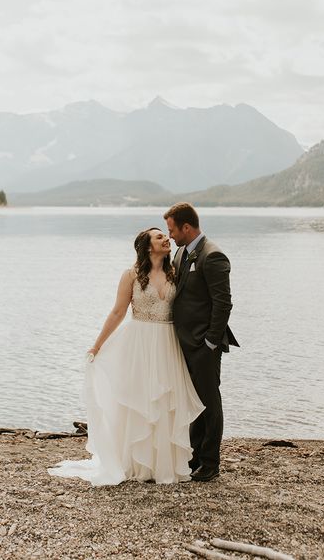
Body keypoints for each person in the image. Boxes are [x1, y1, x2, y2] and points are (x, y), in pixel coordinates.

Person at [48, 227, 204, 486]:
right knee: (140, 400)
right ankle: (135, 463)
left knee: (165, 401)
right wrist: (96, 347)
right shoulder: (131, 275)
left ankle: (162, 465)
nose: (166, 238)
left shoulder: (175, 272)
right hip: (139, 343)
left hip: (167, 343)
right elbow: (118, 312)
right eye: (159, 237)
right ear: (146, 246)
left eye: (166, 235)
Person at [164, 202, 238, 482]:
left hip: (204, 345)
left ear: (186, 227)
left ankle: (210, 462)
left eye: (172, 230)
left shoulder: (213, 256)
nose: (170, 236)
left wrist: (209, 342)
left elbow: (223, 304)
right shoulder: (182, 252)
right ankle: (194, 457)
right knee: (193, 402)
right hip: (185, 343)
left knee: (209, 402)